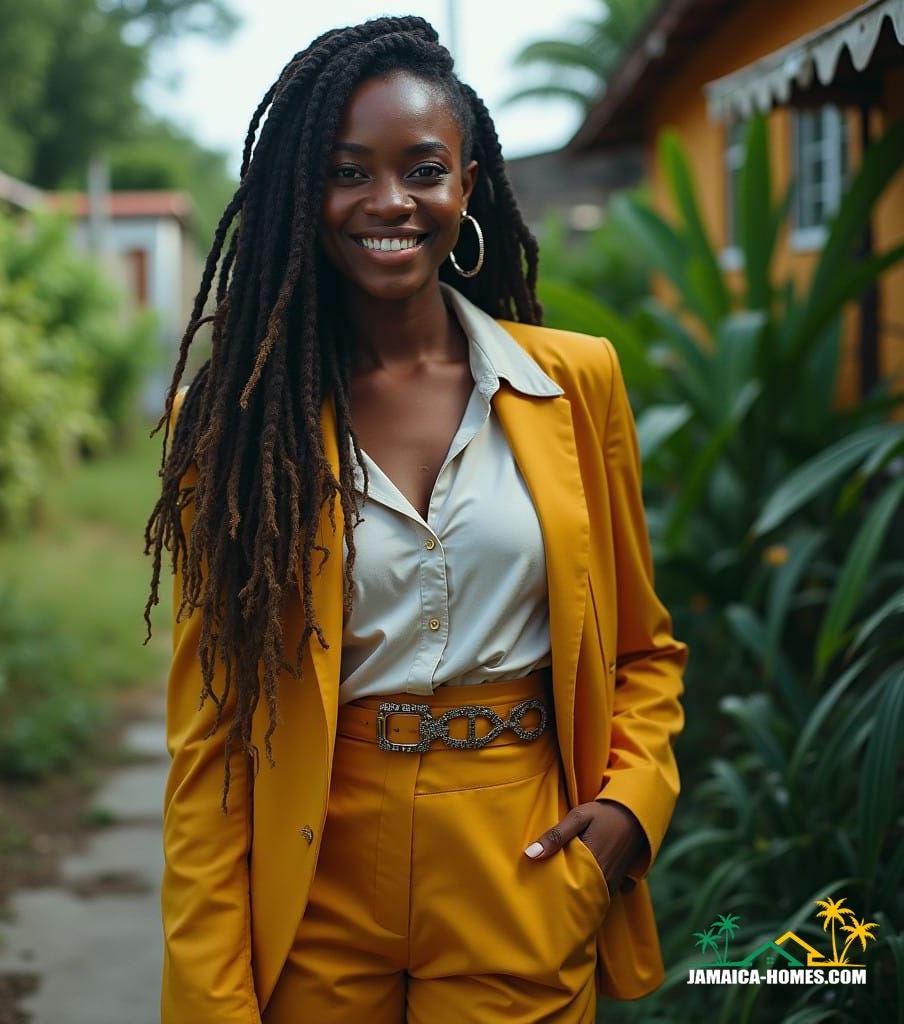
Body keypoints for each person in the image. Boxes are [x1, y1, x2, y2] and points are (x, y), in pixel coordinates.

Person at [143, 15, 689, 1024]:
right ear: (305, 196)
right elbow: (213, 742)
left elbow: (642, 649)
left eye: (422, 169)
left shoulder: (573, 386)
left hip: (519, 865)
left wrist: (629, 807)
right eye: (348, 171)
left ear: (466, 187)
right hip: (313, 879)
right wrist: (214, 1000)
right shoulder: (236, 426)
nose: (387, 201)